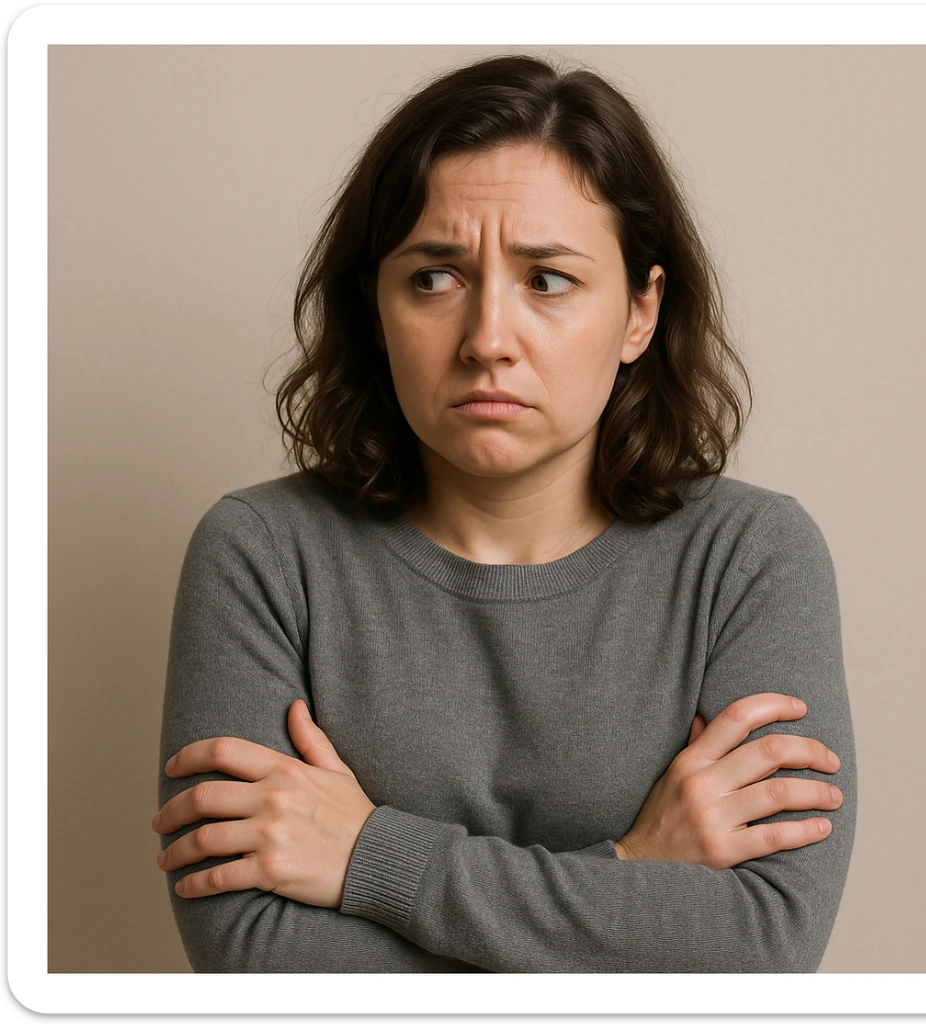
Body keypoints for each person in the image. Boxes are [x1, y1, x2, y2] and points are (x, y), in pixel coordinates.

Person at [154, 53, 856, 973]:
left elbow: (762, 947)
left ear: (641, 311)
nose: (488, 340)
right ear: (374, 308)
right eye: (434, 278)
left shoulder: (752, 557)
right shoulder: (262, 554)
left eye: (548, 280)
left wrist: (371, 858)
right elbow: (258, 959)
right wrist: (635, 872)